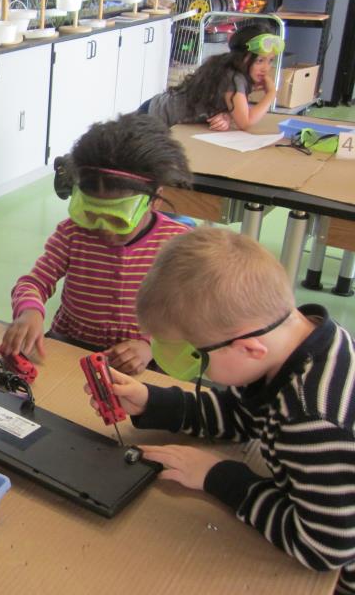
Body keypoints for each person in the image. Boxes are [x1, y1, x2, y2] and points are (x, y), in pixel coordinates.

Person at [94, 228, 355, 595]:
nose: (191, 368)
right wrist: (153, 402)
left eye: (197, 357)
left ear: (249, 348)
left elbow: (323, 547)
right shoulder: (300, 343)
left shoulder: (310, 420)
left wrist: (218, 476)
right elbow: (247, 413)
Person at [2, 112, 193, 375]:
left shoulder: (176, 244)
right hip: (70, 348)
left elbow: (188, 313)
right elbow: (33, 282)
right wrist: (29, 312)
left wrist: (150, 346)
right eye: (91, 214)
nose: (102, 228)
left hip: (139, 363)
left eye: (117, 219)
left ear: (155, 199)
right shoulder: (73, 233)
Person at [140, 23, 280, 131]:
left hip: (156, 112)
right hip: (152, 117)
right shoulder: (234, 78)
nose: (266, 68)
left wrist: (227, 115)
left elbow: (232, 109)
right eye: (259, 61)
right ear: (242, 57)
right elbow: (246, 122)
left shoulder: (231, 69)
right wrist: (271, 93)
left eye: (270, 60)